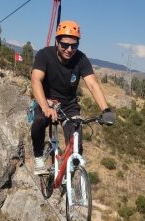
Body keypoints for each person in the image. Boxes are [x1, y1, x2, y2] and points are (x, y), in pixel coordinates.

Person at [31, 20, 115, 175]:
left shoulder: (81, 59)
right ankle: (38, 156)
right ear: (57, 42)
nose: (69, 49)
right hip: (47, 100)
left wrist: (106, 109)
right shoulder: (44, 55)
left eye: (74, 45)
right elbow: (36, 80)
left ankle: (71, 181)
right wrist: (45, 107)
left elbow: (92, 84)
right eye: (64, 45)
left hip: (69, 105)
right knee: (39, 121)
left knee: (76, 144)